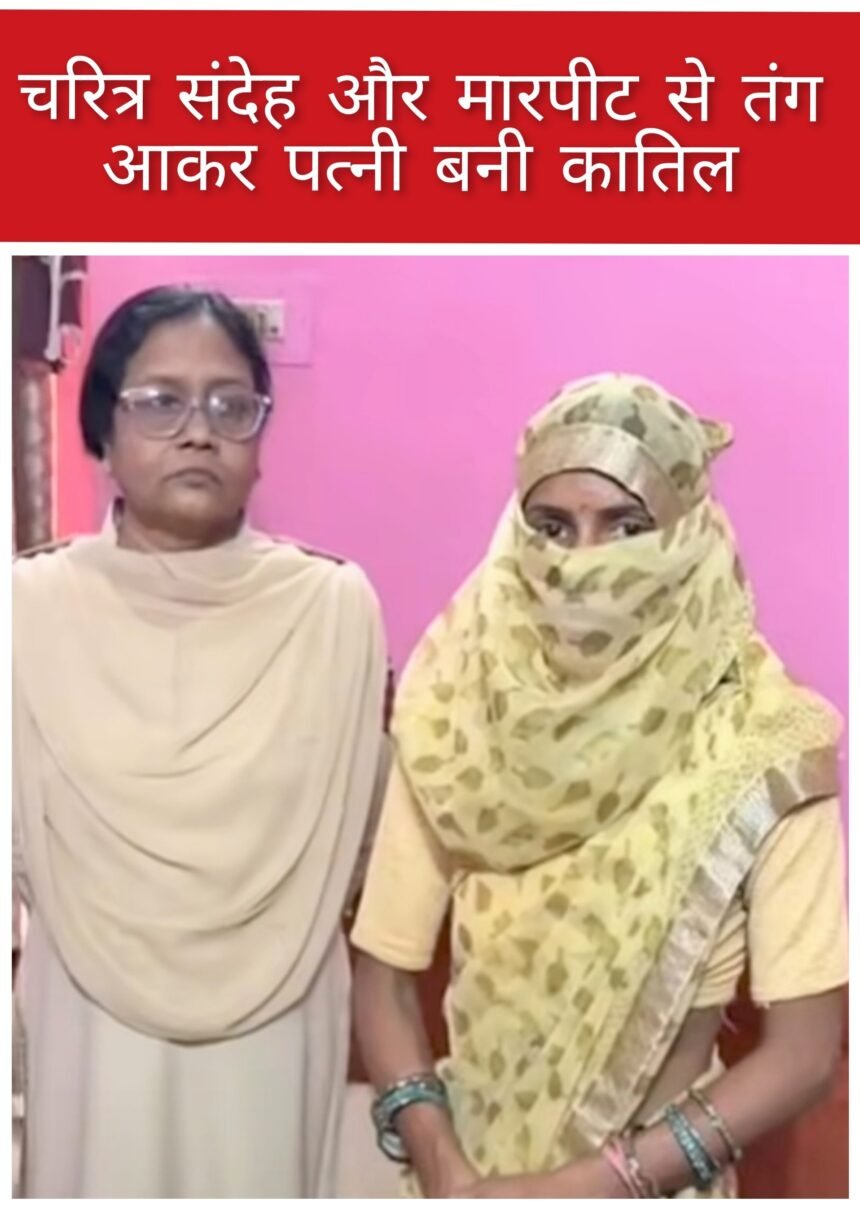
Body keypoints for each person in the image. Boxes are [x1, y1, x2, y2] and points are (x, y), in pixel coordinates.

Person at [351, 373, 846, 1199]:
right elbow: (384, 979)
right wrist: (444, 1165)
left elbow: (804, 1054)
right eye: (552, 527)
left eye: (627, 526)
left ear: (687, 534)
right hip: (464, 1178)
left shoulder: (765, 739)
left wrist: (587, 1187)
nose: (585, 564)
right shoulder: (458, 717)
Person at [12, 286, 388, 1198]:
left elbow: (361, 845)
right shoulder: (30, 607)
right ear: (101, 433)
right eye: (160, 402)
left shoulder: (329, 610)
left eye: (230, 406)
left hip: (277, 1025)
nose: (198, 433)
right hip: (89, 1024)